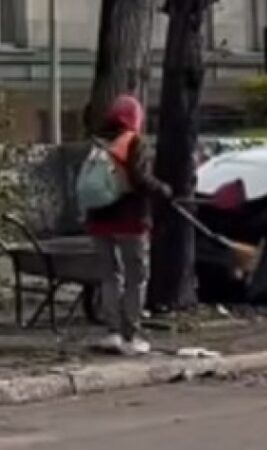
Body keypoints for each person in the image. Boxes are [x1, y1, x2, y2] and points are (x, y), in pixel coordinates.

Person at [85, 95, 172, 355]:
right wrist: (163, 190)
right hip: (130, 220)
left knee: (110, 276)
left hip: (99, 218)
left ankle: (111, 332)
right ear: (136, 118)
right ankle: (130, 335)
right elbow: (139, 177)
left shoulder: (99, 141)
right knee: (136, 278)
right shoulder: (134, 141)